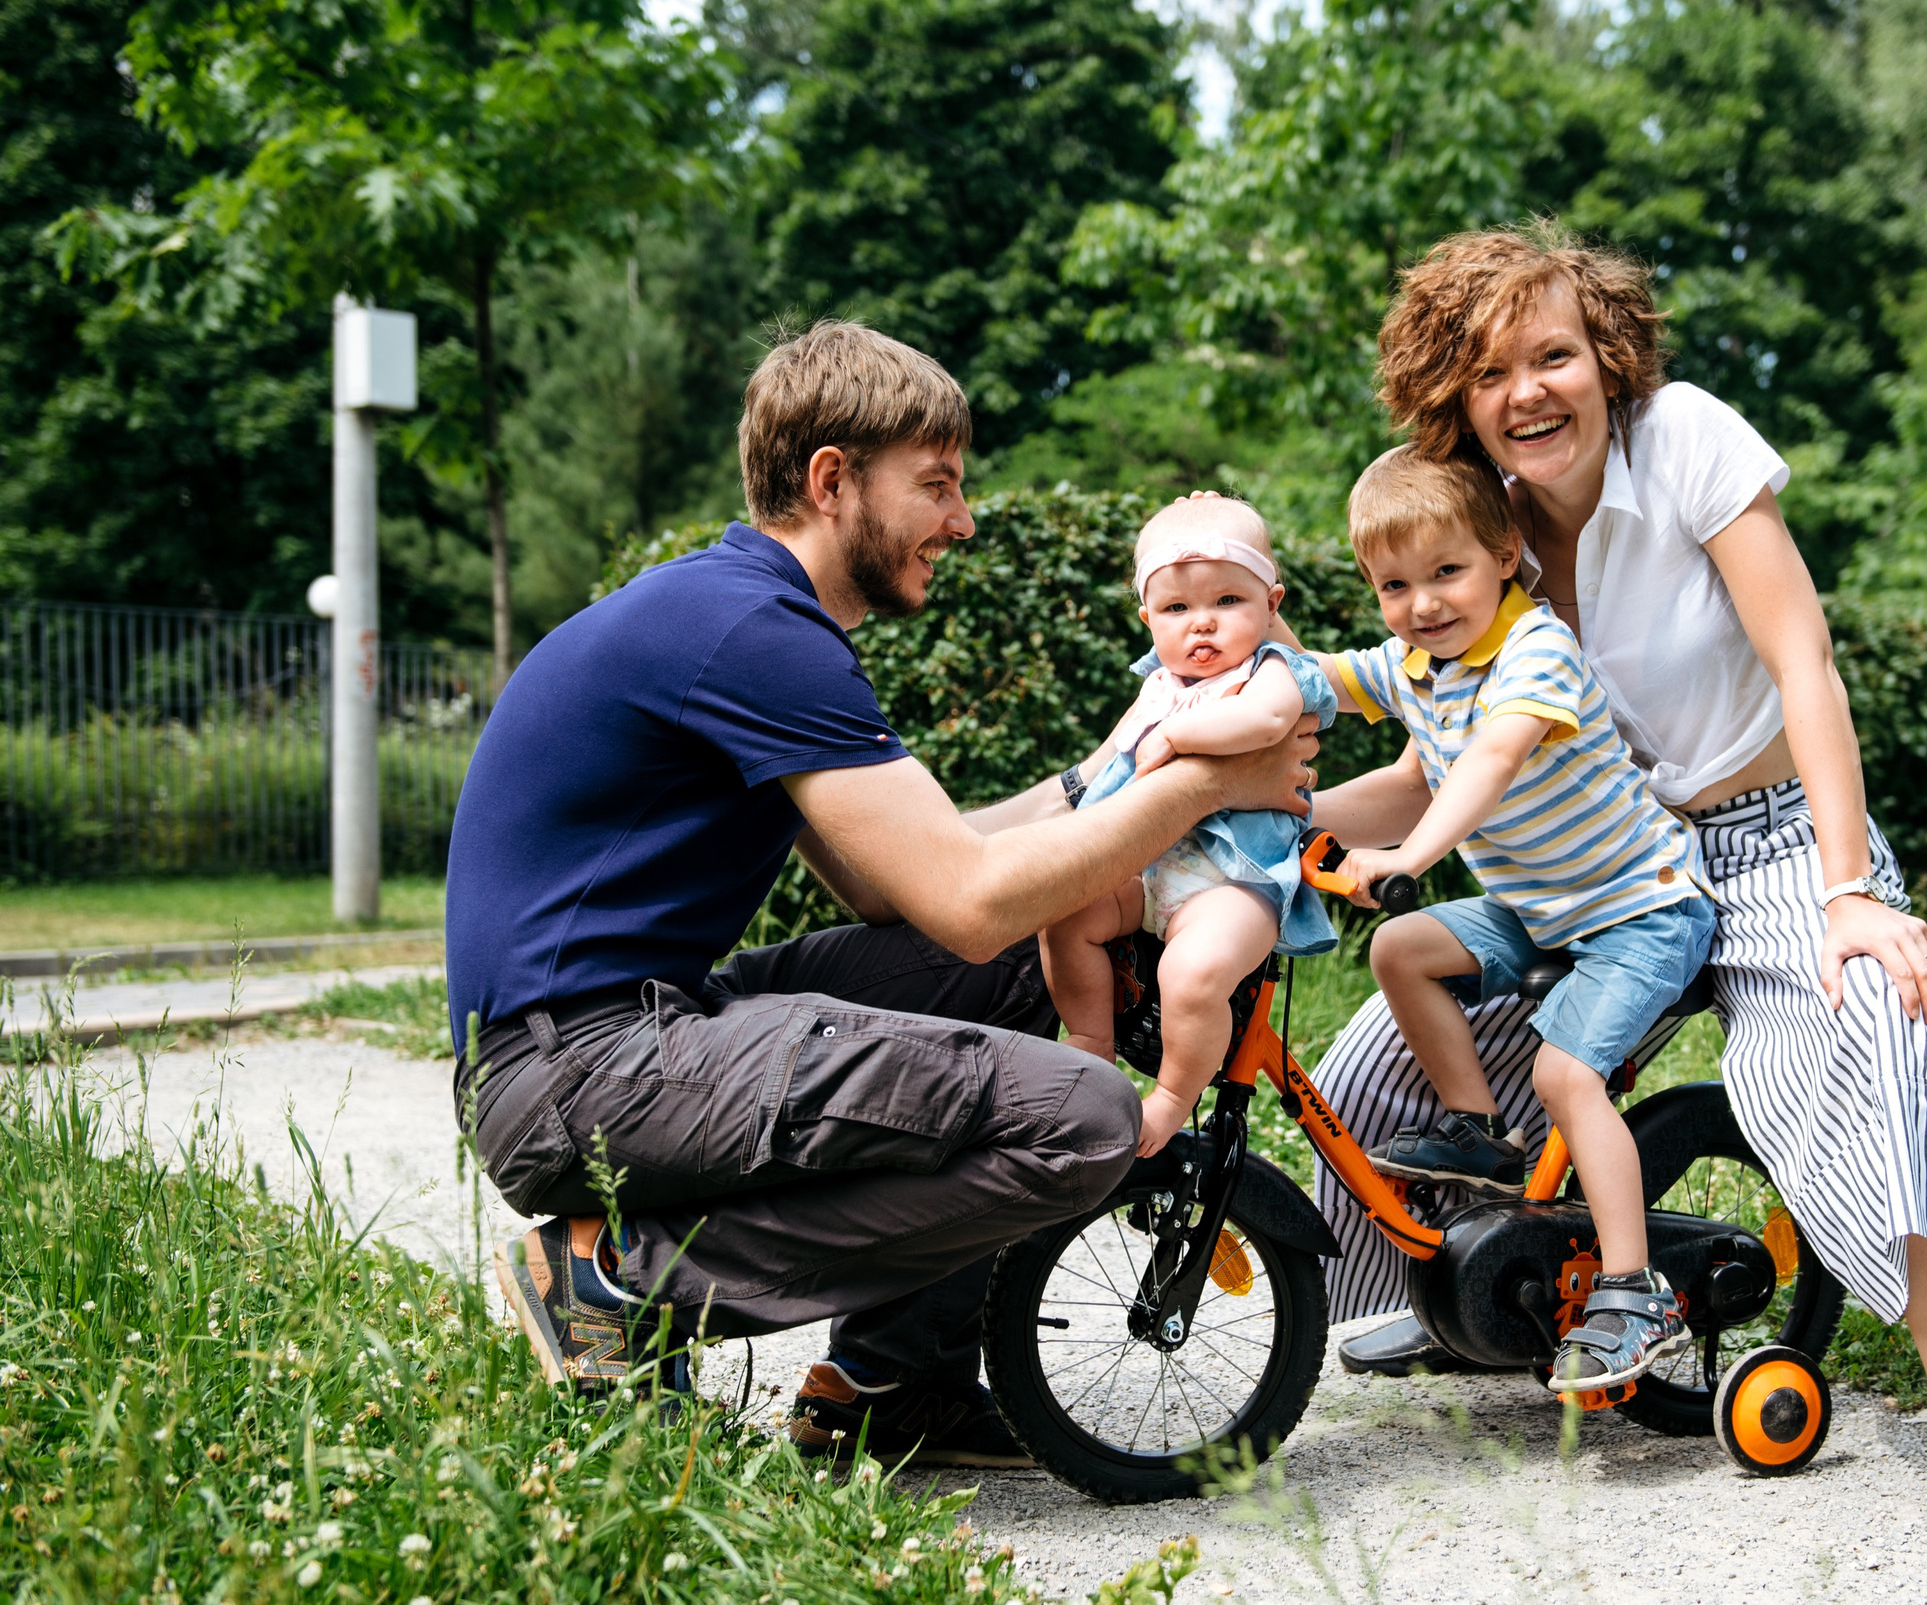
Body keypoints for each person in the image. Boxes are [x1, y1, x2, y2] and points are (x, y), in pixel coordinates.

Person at [1308, 224, 1927, 1534]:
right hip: (1609, 865)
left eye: (1555, 355)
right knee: (1373, 1067)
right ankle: (1470, 1310)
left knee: (1889, 1027)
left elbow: (1804, 668)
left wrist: (1851, 891)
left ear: (1605, 356)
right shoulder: (1472, 536)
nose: (1530, 391)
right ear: (1456, 397)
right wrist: (1259, 818)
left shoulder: (1687, 444)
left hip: (1775, 836)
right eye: (1493, 374)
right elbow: (1437, 761)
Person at [448, 319, 1316, 1466]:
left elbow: (896, 880)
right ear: (831, 480)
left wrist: (1099, 779)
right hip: (578, 1070)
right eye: (938, 484)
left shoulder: (741, 614)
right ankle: (613, 1277)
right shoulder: (753, 631)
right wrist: (1204, 788)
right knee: (1087, 1119)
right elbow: (964, 896)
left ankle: (889, 1384)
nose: (960, 519)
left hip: (617, 1039)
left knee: (1019, 963)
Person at [1321, 445, 1717, 1393]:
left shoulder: (1535, 646)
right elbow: (1307, 684)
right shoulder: (1415, 665)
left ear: (1504, 552)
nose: (1423, 603)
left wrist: (1411, 855)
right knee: (1402, 947)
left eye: (1446, 571)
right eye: (1394, 584)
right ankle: (1477, 1130)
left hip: (1640, 909)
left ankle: (1633, 1293)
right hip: (1539, 908)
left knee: (1566, 1073)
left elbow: (1489, 764)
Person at [1039, 493, 1338, 1157]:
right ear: (1147, 618)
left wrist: (1177, 733)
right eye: (1176, 609)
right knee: (1064, 912)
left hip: (1231, 881)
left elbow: (1262, 724)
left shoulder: (1276, 671)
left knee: (1193, 972)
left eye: (1228, 601)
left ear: (1271, 605)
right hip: (1144, 869)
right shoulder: (1159, 683)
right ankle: (1091, 1048)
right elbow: (1110, 765)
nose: (1201, 624)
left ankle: (1173, 1096)